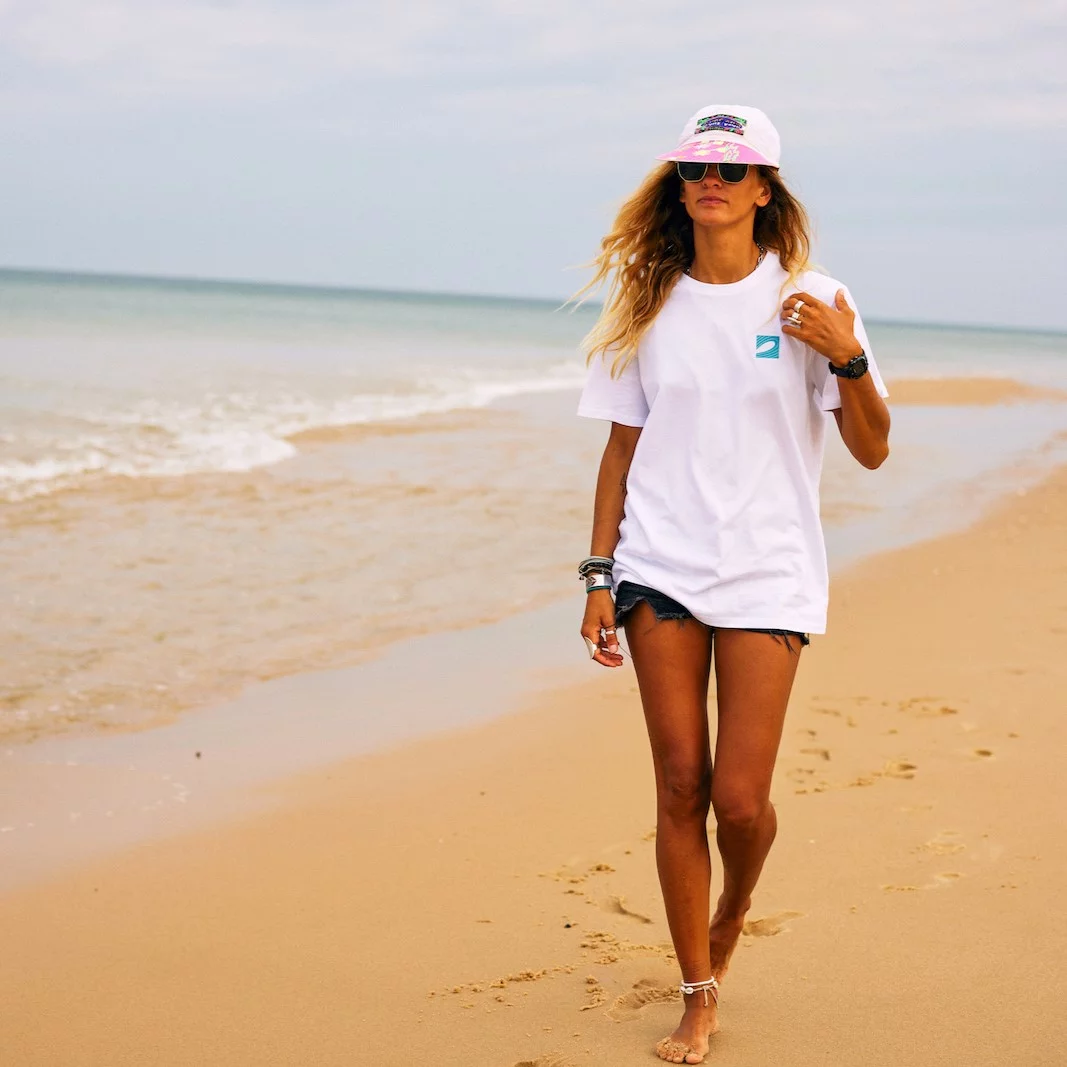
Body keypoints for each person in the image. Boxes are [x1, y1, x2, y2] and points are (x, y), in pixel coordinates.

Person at [573, 105, 891, 1064]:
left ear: (762, 189)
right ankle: (696, 992)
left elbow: (872, 449)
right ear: (679, 187)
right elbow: (620, 451)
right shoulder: (647, 298)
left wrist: (847, 355)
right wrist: (598, 573)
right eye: (694, 168)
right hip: (658, 565)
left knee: (741, 802)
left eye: (730, 167)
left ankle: (735, 904)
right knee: (680, 782)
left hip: (768, 568)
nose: (709, 180)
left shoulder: (811, 298)